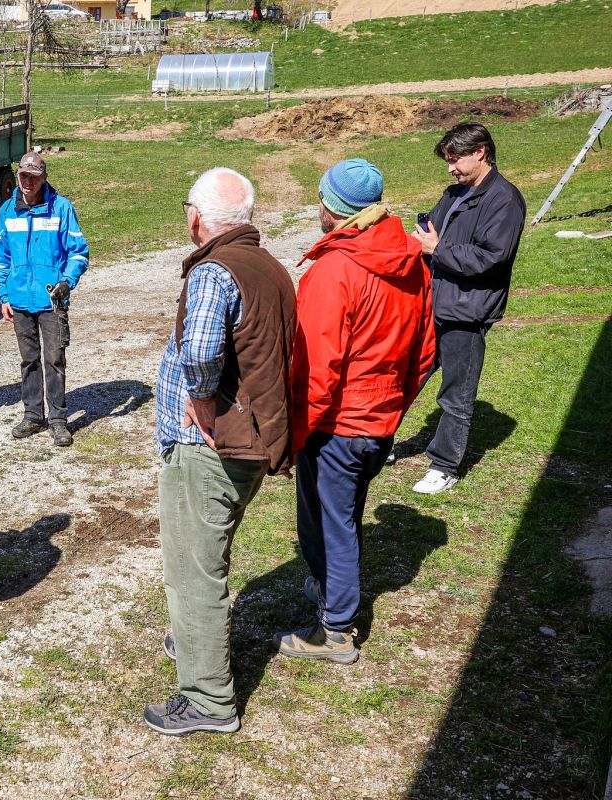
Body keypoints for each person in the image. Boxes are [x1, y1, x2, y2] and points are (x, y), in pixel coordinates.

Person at [145, 168, 295, 736]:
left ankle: (208, 699)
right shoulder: (269, 265)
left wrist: (203, 398)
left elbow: (203, 352)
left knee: (194, 572)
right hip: (249, 441)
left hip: (209, 447)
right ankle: (195, 640)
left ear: (196, 218)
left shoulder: (214, 271)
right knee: (208, 554)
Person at [274, 159, 435, 665]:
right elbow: (425, 350)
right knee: (344, 516)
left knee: (329, 526)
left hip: (337, 426)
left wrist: (295, 436)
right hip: (376, 423)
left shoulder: (335, 270)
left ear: (331, 207)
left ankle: (336, 630)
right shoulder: (411, 261)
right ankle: (330, 588)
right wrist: (393, 407)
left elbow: (315, 368)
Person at [410, 123, 525, 494]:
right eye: (448, 161)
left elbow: (492, 257)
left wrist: (438, 249)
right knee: (408, 377)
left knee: (456, 393)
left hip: (466, 311)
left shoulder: (505, 200)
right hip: (433, 303)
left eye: (455, 159)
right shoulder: (455, 192)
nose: (451, 168)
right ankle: (376, 444)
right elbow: (431, 229)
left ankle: (444, 466)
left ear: (480, 152)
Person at [0, 151, 89, 447]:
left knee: (54, 359)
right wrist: (4, 295)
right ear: (18, 175)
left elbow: (79, 252)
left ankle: (58, 420)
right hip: (20, 300)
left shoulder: (61, 208)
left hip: (52, 300)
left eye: (34, 177)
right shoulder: (7, 211)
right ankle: (33, 415)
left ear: (44, 178)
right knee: (29, 360)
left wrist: (67, 282)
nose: (28, 182)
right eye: (23, 175)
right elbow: (2, 258)